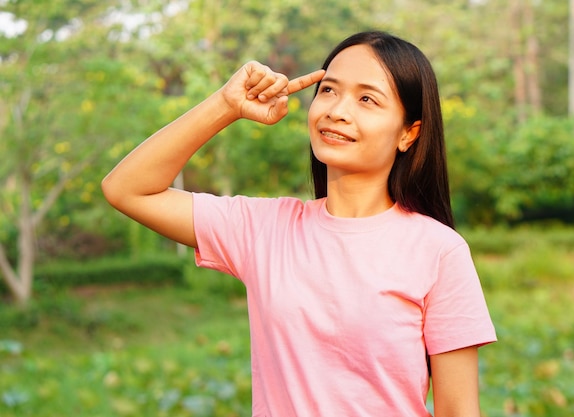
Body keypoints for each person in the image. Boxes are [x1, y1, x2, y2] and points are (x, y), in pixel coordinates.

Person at [102, 31, 496, 417]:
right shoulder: (265, 229)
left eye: (366, 99)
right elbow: (127, 189)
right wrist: (226, 104)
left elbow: (459, 410)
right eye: (328, 90)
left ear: (409, 134)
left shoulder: (439, 251)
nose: (337, 110)